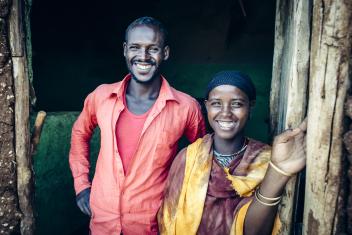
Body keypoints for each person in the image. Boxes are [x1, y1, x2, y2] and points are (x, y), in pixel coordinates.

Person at [69, 16, 206, 235]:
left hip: (153, 222)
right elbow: (79, 134)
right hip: (102, 220)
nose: (143, 56)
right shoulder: (101, 96)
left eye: (153, 49)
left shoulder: (186, 107)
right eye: (135, 47)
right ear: (125, 50)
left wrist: (183, 202)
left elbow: (202, 157)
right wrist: (81, 185)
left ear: (166, 53)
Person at [158, 71, 307, 235]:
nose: (226, 113)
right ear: (206, 106)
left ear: (250, 107)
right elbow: (169, 221)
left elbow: (255, 232)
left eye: (236, 104)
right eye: (216, 104)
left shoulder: (267, 160)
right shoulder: (187, 158)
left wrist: (279, 170)